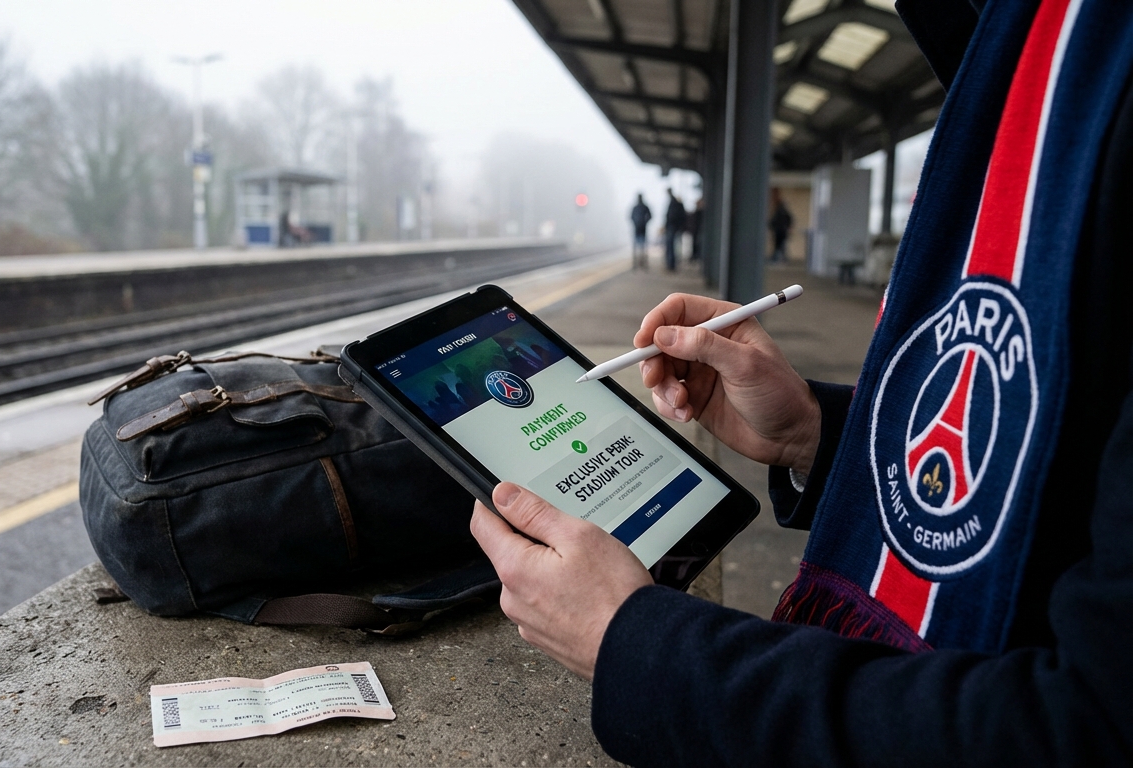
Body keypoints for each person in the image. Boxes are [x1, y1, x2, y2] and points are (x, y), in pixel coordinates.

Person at [469, 1, 1133, 764]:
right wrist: (818, 436)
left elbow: (1095, 728)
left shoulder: (1079, 62)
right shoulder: (1031, 48)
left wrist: (638, 646)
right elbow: (1067, 455)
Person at [664, 189, 687, 271]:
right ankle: (671, 264)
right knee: (673, 246)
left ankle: (671, 264)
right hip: (674, 227)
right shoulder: (676, 203)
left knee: (671, 246)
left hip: (672, 227)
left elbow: (671, 216)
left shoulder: (674, 203)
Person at [768, 189, 793, 263]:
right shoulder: (783, 211)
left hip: (780, 231)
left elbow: (775, 221)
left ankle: (778, 259)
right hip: (781, 230)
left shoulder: (780, 211)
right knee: (781, 245)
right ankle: (781, 258)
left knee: (779, 245)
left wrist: (771, 226)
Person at [629, 194, 652, 271]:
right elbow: (631, 217)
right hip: (638, 229)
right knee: (638, 248)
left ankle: (642, 263)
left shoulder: (642, 207)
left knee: (642, 248)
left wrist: (644, 222)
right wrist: (637, 223)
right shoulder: (637, 207)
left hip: (641, 230)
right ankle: (637, 264)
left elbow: (650, 216)